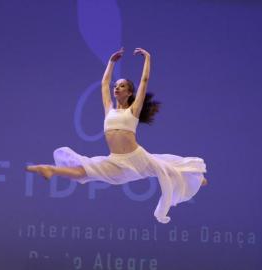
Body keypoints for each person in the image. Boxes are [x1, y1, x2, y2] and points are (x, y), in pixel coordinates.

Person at [26, 47, 208, 224]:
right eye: (116, 86)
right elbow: (105, 84)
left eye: (121, 86)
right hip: (115, 161)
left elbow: (144, 80)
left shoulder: (133, 110)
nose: (116, 88)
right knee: (83, 172)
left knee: (167, 167)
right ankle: (51, 169)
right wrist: (111, 62)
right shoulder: (109, 110)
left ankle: (197, 178)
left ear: (129, 93)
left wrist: (147, 59)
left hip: (137, 157)